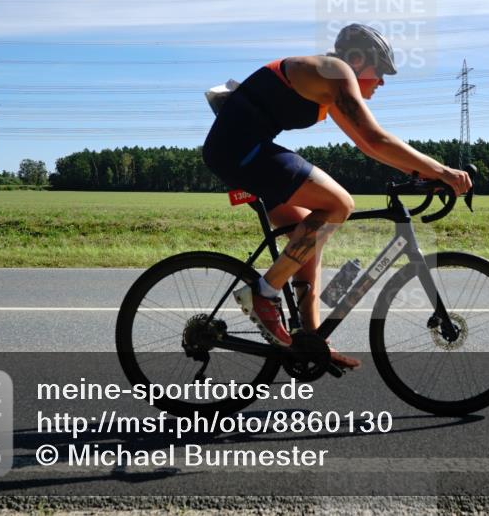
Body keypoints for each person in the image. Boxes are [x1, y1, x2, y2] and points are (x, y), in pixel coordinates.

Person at [202, 23, 472, 370]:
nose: (383, 81)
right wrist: (442, 172)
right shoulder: (336, 71)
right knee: (339, 204)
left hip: (238, 152)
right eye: (381, 71)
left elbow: (368, 146)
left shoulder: (327, 85)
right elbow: (376, 139)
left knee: (308, 237)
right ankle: (263, 293)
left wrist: (421, 175)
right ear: (358, 59)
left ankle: (310, 340)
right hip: (241, 152)